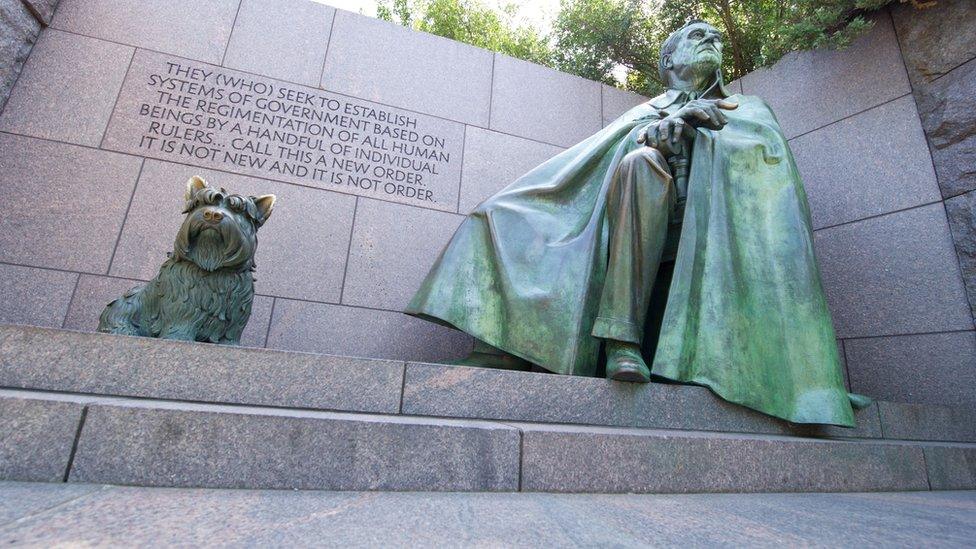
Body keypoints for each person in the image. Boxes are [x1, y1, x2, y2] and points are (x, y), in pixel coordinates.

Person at [407, 20, 863, 426]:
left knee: (641, 163)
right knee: (520, 207)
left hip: (703, 224)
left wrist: (697, 137)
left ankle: (620, 344)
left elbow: (767, 180)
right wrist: (656, 134)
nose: (712, 40)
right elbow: (585, 168)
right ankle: (536, 345)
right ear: (668, 60)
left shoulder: (750, 110)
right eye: (697, 36)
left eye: (716, 37)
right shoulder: (644, 109)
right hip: (627, 207)